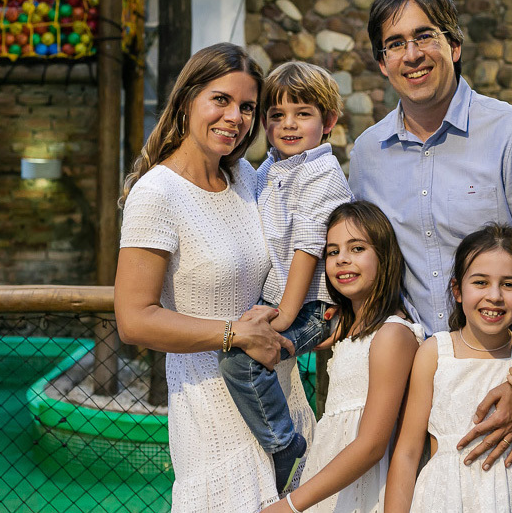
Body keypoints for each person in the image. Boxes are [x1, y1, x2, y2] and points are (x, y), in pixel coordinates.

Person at [349, 0, 512, 509]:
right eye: (395, 44)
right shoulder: (367, 154)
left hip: (505, 410)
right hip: (419, 412)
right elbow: (364, 264)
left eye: (426, 37)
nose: (412, 55)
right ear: (381, 62)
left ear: (454, 45)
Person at [115, 42, 303, 512]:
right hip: (210, 407)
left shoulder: (247, 179)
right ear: (186, 102)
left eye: (246, 107)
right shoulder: (156, 194)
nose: (234, 117)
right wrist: (235, 334)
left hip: (278, 395)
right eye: (220, 100)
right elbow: (134, 321)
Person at [218, 60, 352, 494]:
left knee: (242, 359)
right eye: (277, 115)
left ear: (327, 121)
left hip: (315, 306)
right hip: (283, 298)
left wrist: (285, 313)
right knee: (244, 355)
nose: (288, 124)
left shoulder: (321, 174)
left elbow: (309, 247)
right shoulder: (271, 168)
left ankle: (285, 447)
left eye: (303, 113)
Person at [386, 224, 512, 512]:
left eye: (509, 284)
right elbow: (408, 453)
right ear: (457, 290)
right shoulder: (435, 353)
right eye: (481, 282)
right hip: (443, 499)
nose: (495, 296)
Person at [264, 201, 422, 513]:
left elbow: (372, 445)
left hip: (364, 492)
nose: (342, 260)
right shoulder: (349, 331)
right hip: (332, 486)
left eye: (357, 248)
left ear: (385, 256)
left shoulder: (392, 335)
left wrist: (292, 505)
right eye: (333, 252)